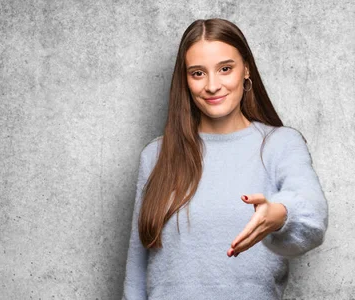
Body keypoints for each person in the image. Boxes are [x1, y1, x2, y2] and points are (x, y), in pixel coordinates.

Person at [122, 18, 328, 300]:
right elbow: (137, 269)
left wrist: (279, 214)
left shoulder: (279, 144)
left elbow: (313, 217)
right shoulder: (155, 156)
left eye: (225, 69)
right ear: (185, 80)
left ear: (246, 70)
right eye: (197, 73)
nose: (212, 85)